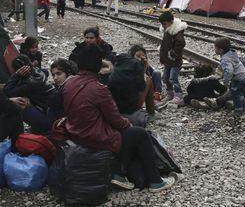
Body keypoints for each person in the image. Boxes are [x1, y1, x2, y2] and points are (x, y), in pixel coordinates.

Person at [62, 44, 175, 192]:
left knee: (129, 133)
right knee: (139, 133)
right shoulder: (99, 89)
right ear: (97, 65)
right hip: (94, 138)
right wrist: (127, 123)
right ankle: (155, 181)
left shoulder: (69, 83)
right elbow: (116, 120)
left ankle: (120, 174)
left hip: (75, 132)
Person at [3, 55, 55, 133]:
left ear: (22, 70)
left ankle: (39, 129)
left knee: (18, 103)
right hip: (52, 114)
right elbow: (46, 72)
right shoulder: (38, 71)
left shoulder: (29, 84)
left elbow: (7, 91)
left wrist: (16, 75)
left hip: (49, 123)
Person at [108, 53, 155, 118]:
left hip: (115, 106)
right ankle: (151, 113)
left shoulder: (113, 73)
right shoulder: (134, 67)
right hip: (131, 107)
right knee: (148, 80)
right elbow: (142, 87)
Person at [214, 38, 245, 121]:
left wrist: (225, 82)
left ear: (221, 50)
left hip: (239, 78)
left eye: (215, 48)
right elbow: (242, 59)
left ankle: (238, 110)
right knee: (238, 90)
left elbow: (229, 71)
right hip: (244, 76)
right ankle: (243, 102)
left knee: (235, 93)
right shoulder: (232, 53)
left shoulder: (225, 59)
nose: (214, 49)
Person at [158, 11, 187, 108]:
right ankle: (170, 93)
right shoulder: (168, 30)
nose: (164, 26)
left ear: (171, 21)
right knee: (166, 78)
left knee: (173, 78)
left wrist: (172, 53)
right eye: (162, 24)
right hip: (168, 60)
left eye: (165, 24)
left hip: (175, 61)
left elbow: (181, 43)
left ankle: (178, 96)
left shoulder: (176, 33)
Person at [46, 59, 78, 124]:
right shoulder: (75, 80)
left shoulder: (70, 85)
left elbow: (53, 102)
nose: (55, 78)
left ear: (68, 72)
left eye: (59, 74)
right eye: (53, 75)